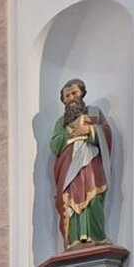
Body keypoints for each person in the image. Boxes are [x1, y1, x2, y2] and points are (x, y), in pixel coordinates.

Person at [49, 78, 113, 248]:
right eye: (67, 96)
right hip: (69, 170)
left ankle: (97, 236)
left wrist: (90, 130)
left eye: (74, 93)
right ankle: (74, 240)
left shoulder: (95, 113)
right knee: (70, 203)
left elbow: (107, 134)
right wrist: (71, 131)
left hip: (91, 166)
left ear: (82, 93)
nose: (71, 98)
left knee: (93, 198)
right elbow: (55, 145)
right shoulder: (61, 123)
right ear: (63, 100)